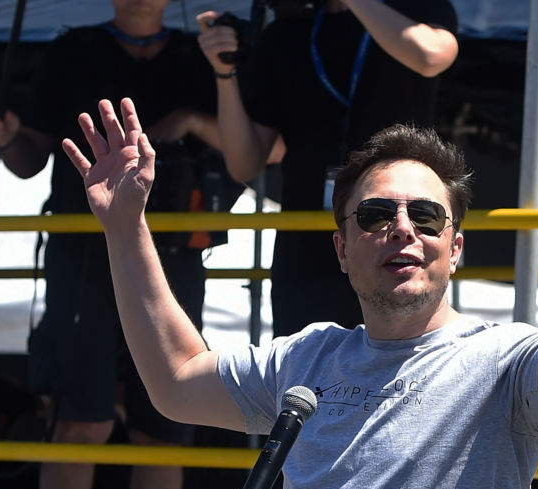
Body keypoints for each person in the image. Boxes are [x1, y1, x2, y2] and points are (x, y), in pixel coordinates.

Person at [62, 37, 538, 489]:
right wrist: (124, 228)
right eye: (376, 216)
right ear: (342, 250)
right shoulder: (308, 356)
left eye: (425, 216)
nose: (402, 229)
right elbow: (175, 382)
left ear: (454, 249)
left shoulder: (503, 363)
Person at [0, 1, 226, 489]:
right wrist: (5, 140)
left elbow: (254, 152)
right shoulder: (72, 51)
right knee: (79, 420)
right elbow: (29, 161)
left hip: (176, 258)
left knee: (167, 424)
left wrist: (188, 121)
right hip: (84, 258)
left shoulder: (201, 55)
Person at [195, 0, 459, 337]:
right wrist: (224, 73)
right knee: (304, 372)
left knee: (397, 368)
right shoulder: (286, 32)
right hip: (307, 239)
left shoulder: (416, 10)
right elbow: (243, 163)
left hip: (396, 232)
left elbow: (431, 57)